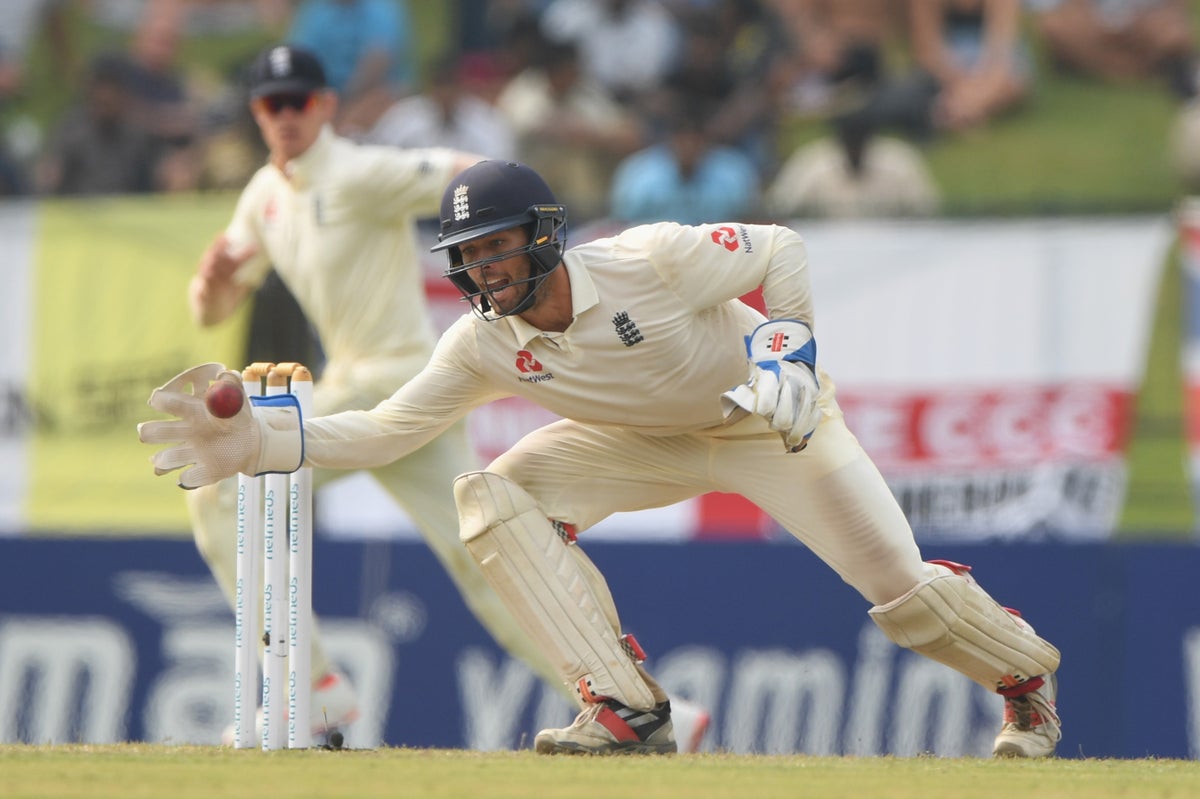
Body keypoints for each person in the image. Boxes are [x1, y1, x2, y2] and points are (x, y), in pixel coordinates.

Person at [139, 159, 1060, 757]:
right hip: (636, 447)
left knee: (903, 592)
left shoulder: (646, 261)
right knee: (496, 495)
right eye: (471, 255)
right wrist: (264, 441)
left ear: (542, 234)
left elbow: (779, 248)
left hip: (769, 421)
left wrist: (789, 348)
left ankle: (1024, 681)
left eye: (499, 246)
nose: (487, 269)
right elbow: (387, 429)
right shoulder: (481, 342)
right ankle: (626, 707)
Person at [173, 43, 546, 745]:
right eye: (272, 104)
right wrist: (212, 282)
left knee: (223, 485)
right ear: (257, 113)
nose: (286, 115)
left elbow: (469, 174)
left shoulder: (359, 170)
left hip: (395, 380)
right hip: (378, 389)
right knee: (480, 558)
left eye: (299, 102)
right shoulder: (263, 196)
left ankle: (315, 695)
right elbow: (212, 309)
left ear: (325, 106)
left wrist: (516, 219)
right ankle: (647, 707)